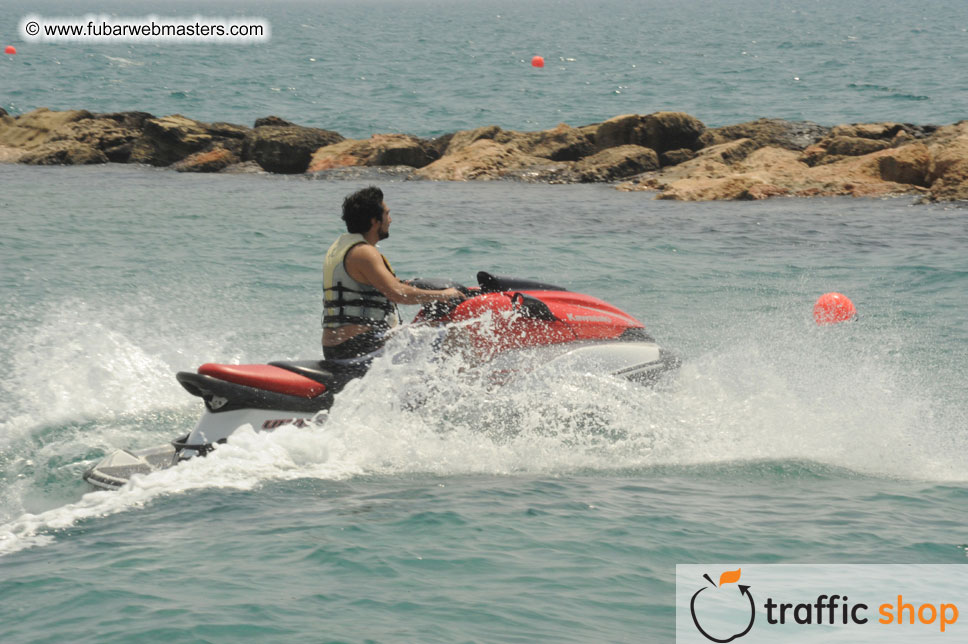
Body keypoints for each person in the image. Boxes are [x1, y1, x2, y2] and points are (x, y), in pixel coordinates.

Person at [322, 186, 464, 361]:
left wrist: (410, 284)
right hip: (361, 346)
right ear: (375, 221)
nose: (390, 219)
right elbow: (399, 294)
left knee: (428, 329)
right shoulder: (364, 252)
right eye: (387, 214)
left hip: (342, 346)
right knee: (454, 332)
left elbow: (382, 285)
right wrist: (443, 295)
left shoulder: (342, 246)